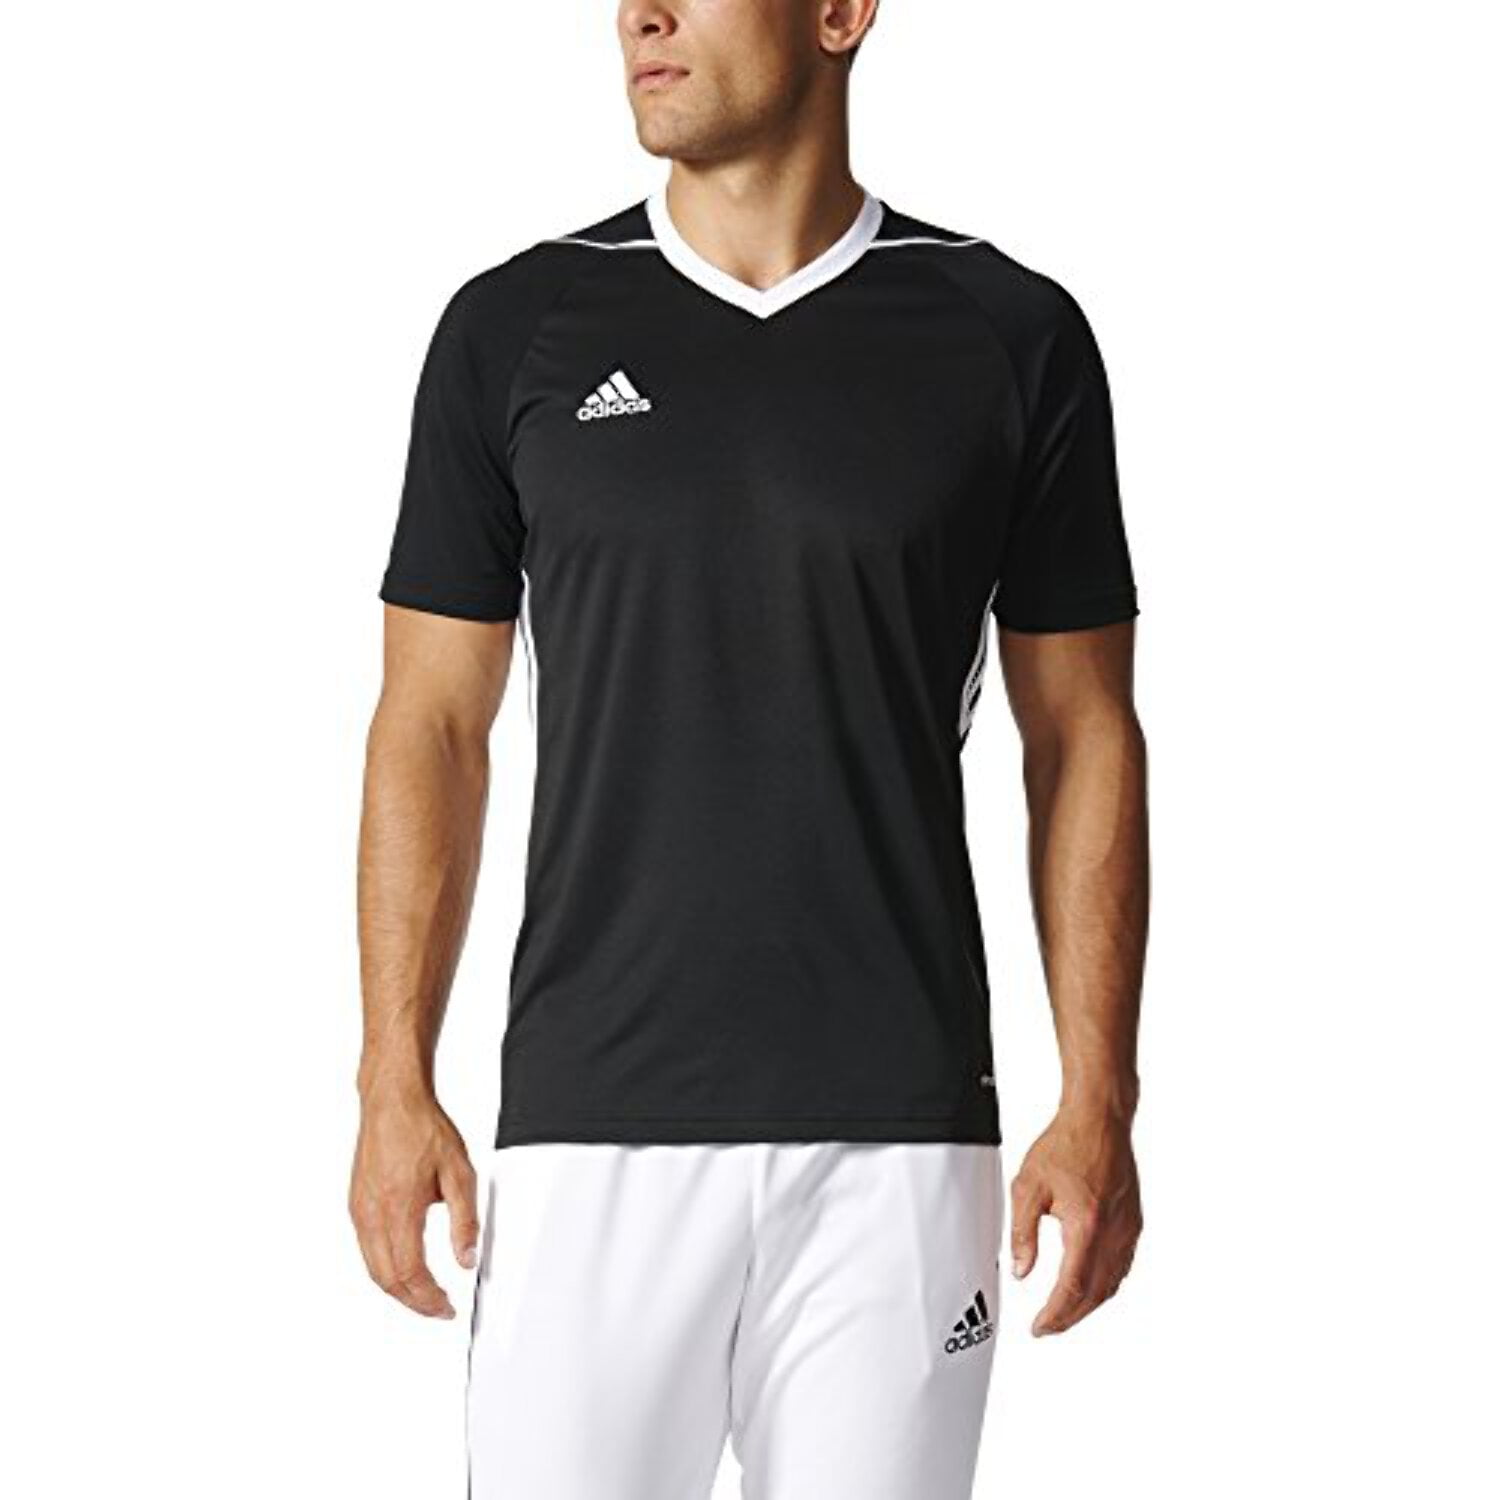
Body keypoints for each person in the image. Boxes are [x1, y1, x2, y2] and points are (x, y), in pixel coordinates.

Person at [351, 3, 1148, 1496]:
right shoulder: (515, 328)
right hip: (590, 1133)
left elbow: (1083, 734)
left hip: (899, 1145)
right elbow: (432, 725)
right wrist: (392, 1080)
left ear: (840, 13)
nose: (638, 14)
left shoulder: (1007, 334)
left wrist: (1098, 1097)